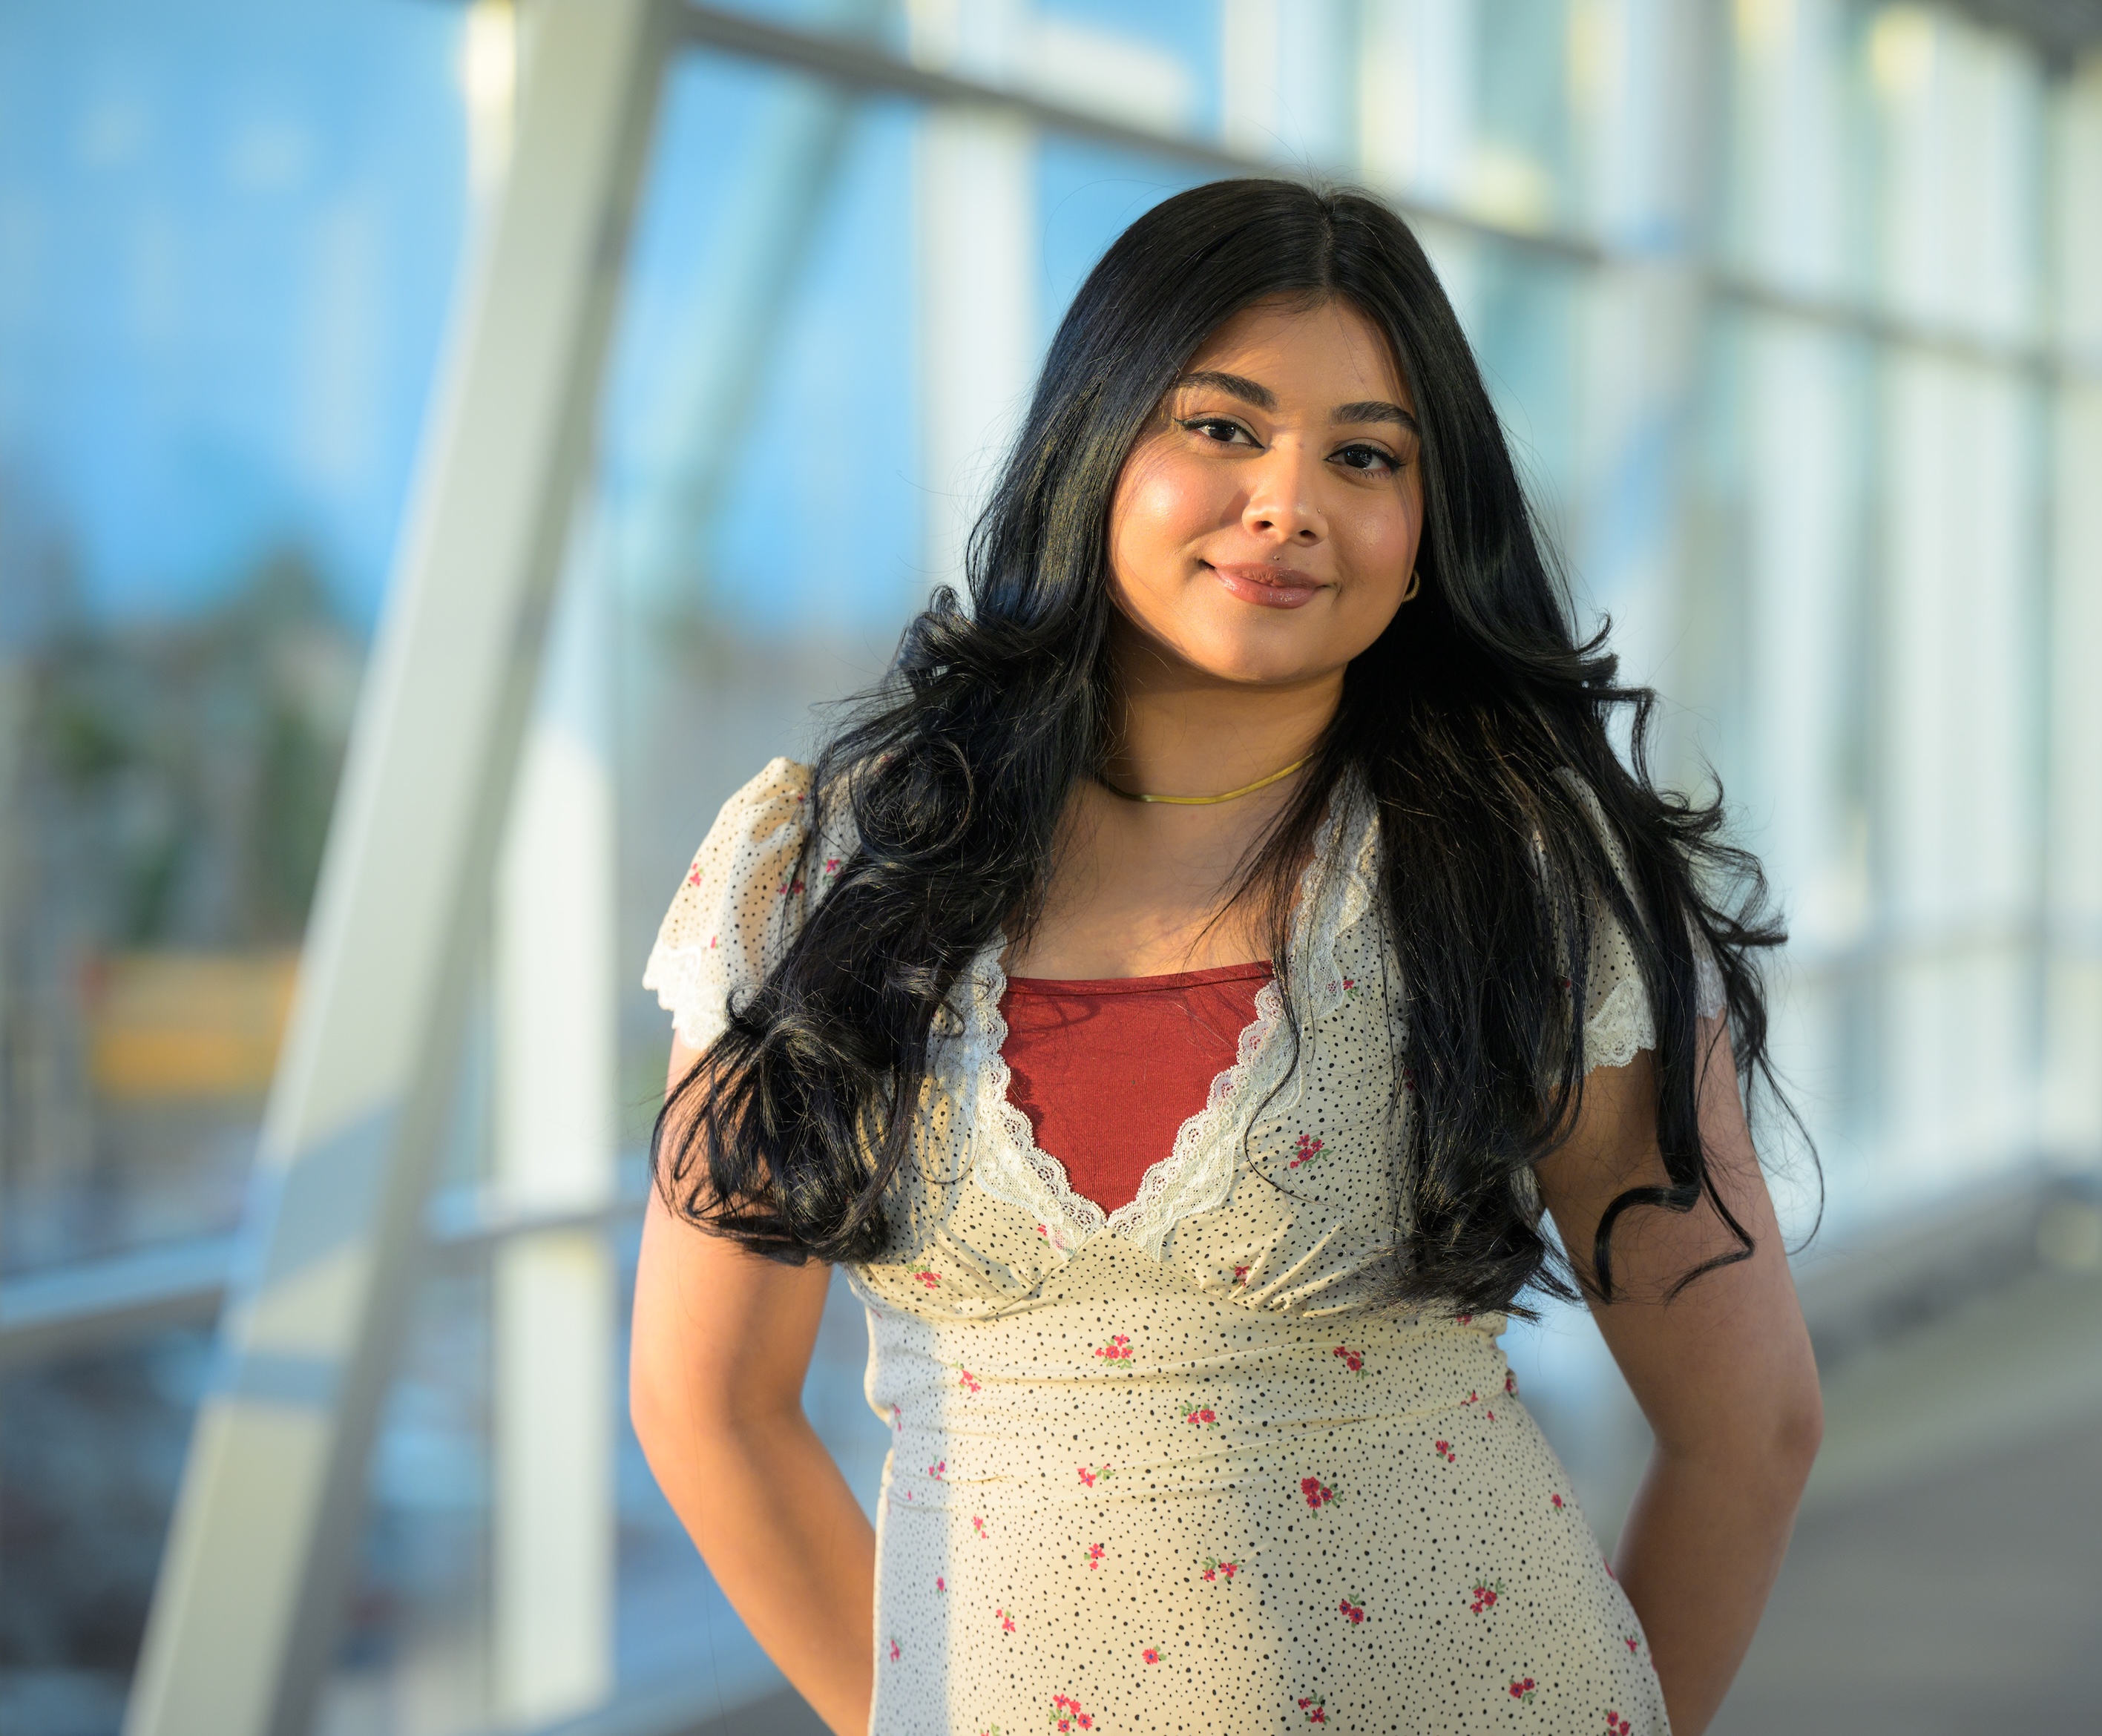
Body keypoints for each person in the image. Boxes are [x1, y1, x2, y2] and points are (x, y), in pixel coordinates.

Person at [630, 178, 1822, 1736]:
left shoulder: (1522, 880)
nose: (1289, 502)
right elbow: (705, 1403)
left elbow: (1752, 1428)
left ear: (1425, 526)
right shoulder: (821, 872)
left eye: (1366, 456)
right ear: (1096, 443)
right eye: (1222, 429)